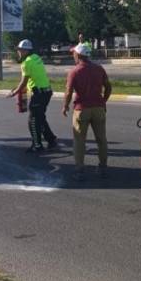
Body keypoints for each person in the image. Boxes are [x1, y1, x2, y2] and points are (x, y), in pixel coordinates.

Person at [62, 43, 112, 181]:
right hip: (99, 109)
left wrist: (65, 106)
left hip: (81, 109)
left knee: (79, 141)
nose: (73, 55)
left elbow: (68, 92)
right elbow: (108, 87)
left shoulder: (74, 71)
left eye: (73, 53)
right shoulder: (99, 69)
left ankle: (79, 170)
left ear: (78, 55)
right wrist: (103, 101)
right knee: (101, 140)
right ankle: (103, 167)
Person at [8, 39, 58, 153]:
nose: (18, 52)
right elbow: (30, 79)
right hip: (47, 91)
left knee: (33, 120)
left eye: (20, 50)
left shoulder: (26, 63)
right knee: (40, 117)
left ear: (26, 51)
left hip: (39, 94)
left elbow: (24, 82)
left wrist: (14, 92)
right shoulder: (36, 57)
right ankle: (51, 140)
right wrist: (18, 88)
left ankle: (37, 145)